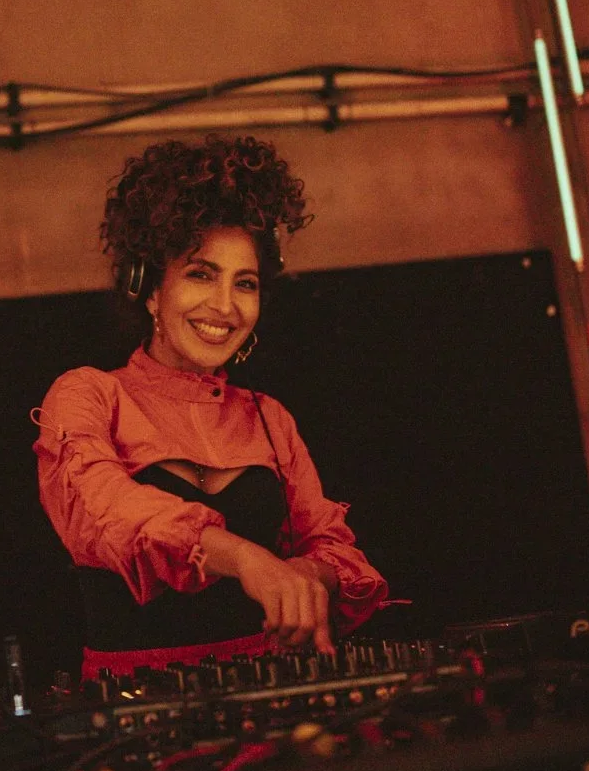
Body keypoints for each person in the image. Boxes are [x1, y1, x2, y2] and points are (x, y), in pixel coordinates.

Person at [32, 134, 387, 677]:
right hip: (137, 710)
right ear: (150, 289)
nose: (224, 305)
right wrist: (244, 558)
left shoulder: (269, 418)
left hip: (274, 690)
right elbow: (104, 509)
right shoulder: (87, 394)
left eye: (244, 283)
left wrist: (310, 575)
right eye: (201, 274)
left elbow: (337, 552)